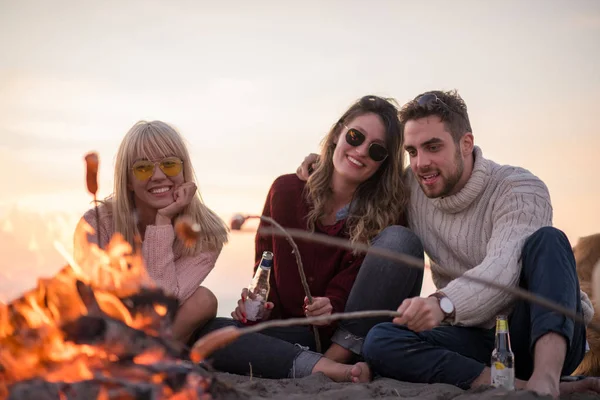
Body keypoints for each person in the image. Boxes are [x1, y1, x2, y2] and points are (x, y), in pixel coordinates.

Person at [297, 90, 600, 397]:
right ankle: (516, 385)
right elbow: (366, 178)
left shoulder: (520, 188)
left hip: (535, 332)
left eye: (433, 147)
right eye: (413, 151)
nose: (421, 163)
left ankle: (546, 382)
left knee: (549, 241)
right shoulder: (412, 186)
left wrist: (442, 303)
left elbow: (505, 265)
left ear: (465, 143)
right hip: (472, 338)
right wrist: (323, 163)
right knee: (381, 341)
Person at [193, 95, 423, 382]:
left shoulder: (388, 212)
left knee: (400, 241)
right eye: (355, 136)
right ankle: (321, 368)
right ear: (339, 132)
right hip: (295, 336)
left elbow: (372, 289)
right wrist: (257, 307)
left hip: (356, 341)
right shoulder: (285, 192)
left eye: (376, 150)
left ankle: (330, 363)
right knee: (211, 331)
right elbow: (266, 273)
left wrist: (333, 306)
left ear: (383, 163)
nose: (361, 151)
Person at [74, 120, 229, 344]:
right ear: (128, 181)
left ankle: (148, 359)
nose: (157, 176)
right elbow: (94, 300)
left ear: (184, 171)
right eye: (143, 168)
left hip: (160, 334)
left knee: (203, 300)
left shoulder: (205, 233)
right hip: (108, 328)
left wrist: (162, 222)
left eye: (170, 165)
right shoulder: (98, 223)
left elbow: (161, 307)